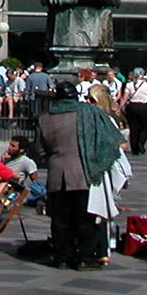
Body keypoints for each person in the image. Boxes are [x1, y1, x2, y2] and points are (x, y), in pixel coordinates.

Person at [34, 80, 120, 270]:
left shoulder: (45, 118)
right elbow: (112, 140)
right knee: (84, 219)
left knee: (60, 220)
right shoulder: (89, 113)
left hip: (57, 172)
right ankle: (85, 257)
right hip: (82, 172)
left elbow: (40, 150)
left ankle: (62, 257)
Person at [121, 68, 147, 156]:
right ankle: (141, 142)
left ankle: (134, 148)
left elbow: (125, 97)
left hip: (132, 106)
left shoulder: (129, 85)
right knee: (145, 127)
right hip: (143, 106)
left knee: (133, 128)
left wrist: (121, 107)